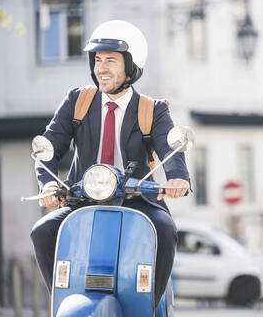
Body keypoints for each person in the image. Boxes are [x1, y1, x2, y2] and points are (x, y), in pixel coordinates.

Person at [30, 20, 190, 307]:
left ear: (131, 66)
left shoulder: (152, 109)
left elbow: (170, 146)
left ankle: (149, 306)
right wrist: (49, 182)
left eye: (111, 61)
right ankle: (61, 299)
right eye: (97, 60)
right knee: (42, 231)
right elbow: (49, 145)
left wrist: (178, 178)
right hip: (82, 198)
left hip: (138, 200)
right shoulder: (77, 100)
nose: (101, 68)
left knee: (165, 229)